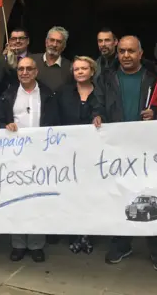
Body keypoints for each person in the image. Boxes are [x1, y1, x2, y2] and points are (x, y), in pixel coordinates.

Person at [91, 35, 157, 271]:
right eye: (122, 51)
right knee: (120, 197)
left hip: (149, 149)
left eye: (131, 51)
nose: (126, 55)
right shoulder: (107, 78)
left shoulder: (155, 77)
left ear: (140, 53)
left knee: (153, 197)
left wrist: (155, 114)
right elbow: (98, 104)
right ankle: (121, 243)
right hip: (119, 149)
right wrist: (98, 115)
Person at [0, 56, 57, 263]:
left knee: (37, 200)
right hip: (15, 156)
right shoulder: (8, 95)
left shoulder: (48, 94)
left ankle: (36, 244)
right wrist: (6, 124)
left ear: (36, 72)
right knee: (17, 199)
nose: (24, 72)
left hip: (41, 155)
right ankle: (18, 243)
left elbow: (57, 123)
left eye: (29, 69)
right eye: (21, 69)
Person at [55, 56, 97, 254]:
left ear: (92, 71)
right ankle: (73, 235)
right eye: (77, 69)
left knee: (89, 195)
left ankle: (87, 235)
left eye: (84, 68)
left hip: (93, 154)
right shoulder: (63, 93)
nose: (80, 72)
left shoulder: (101, 93)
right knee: (71, 195)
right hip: (68, 153)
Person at [30, 26, 72, 92]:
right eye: (52, 40)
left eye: (59, 42)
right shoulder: (31, 60)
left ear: (64, 46)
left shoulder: (69, 67)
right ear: (46, 42)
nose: (54, 44)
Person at [0, 28, 30, 92]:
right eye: (14, 39)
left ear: (28, 41)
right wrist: (5, 58)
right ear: (9, 42)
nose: (17, 41)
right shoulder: (0, 61)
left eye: (21, 38)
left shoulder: (35, 59)